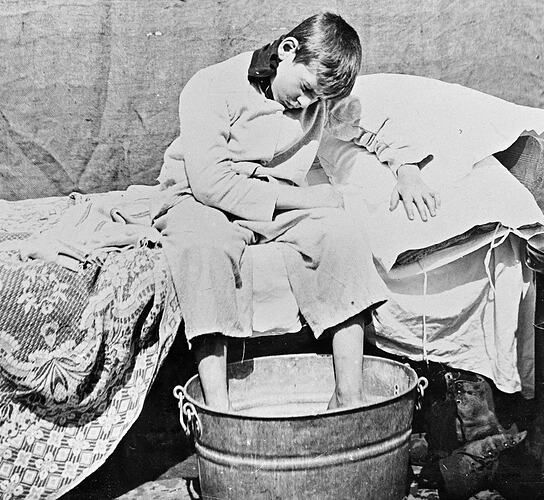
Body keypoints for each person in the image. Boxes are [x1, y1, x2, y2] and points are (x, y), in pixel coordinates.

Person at [151, 12, 439, 410]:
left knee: (341, 234)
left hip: (274, 200)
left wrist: (407, 172)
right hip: (201, 198)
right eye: (304, 88)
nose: (305, 103)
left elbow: (372, 127)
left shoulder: (317, 98)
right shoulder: (210, 85)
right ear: (287, 50)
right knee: (205, 249)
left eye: (317, 99)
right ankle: (218, 409)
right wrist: (310, 198)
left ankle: (349, 397)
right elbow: (211, 184)